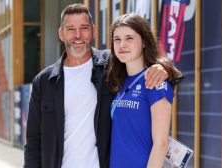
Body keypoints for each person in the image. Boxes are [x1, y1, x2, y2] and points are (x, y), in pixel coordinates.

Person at [24, 3, 178, 168]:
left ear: (93, 31)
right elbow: (33, 141)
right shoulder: (44, 81)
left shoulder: (111, 66)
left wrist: (162, 68)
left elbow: (141, 64)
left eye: (84, 28)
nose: (78, 35)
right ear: (61, 34)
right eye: (70, 29)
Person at [106, 13, 182, 168]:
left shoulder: (155, 81)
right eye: (117, 39)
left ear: (144, 42)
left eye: (129, 38)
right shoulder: (120, 82)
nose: (122, 45)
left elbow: (161, 144)